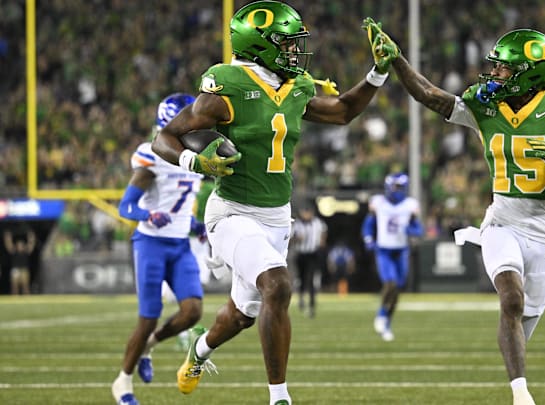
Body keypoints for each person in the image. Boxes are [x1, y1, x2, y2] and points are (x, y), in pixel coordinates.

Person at [151, 2, 396, 404]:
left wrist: (378, 72)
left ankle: (199, 352)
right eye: (286, 44)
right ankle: (279, 397)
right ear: (259, 46)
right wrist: (194, 160)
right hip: (231, 211)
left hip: (275, 217)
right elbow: (166, 137)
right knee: (278, 286)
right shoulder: (226, 84)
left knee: (241, 315)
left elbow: (343, 111)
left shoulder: (296, 85)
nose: (296, 52)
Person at [364, 20, 545, 404]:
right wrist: (398, 62)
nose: (494, 72)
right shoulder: (486, 104)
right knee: (510, 298)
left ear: (530, 75)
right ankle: (521, 394)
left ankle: (515, 382)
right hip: (501, 221)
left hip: (544, 229)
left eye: (504, 68)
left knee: (524, 319)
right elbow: (430, 96)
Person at [112, 92, 208, 405]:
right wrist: (147, 214)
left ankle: (149, 347)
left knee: (192, 311)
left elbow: (179, 205)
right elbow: (125, 206)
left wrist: (196, 226)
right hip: (150, 243)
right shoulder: (152, 155)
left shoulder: (191, 157)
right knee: (148, 317)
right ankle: (123, 382)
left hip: (180, 244)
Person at [361, 172, 424, 341]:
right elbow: (368, 224)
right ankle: (382, 314)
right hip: (384, 250)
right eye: (396, 187)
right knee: (390, 282)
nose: (398, 190)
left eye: (401, 187)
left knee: (397, 289)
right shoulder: (378, 203)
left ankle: (387, 322)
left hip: (401, 250)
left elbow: (419, 229)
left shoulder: (410, 205)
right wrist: (368, 239)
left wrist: (411, 231)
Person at [290, 204, 327, 318]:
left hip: (313, 254)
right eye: (304, 212)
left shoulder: (318, 223)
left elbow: (324, 232)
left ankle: (311, 304)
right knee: (301, 278)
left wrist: (322, 241)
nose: (306, 215)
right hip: (301, 254)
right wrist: (297, 239)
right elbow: (290, 239)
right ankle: (301, 298)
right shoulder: (297, 224)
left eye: (308, 212)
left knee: (311, 278)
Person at [3, 227, 36, 295]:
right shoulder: (14, 251)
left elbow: (31, 244)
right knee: (14, 287)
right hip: (15, 270)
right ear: (16, 245)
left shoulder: (26, 251)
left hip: (24, 270)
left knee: (25, 286)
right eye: (19, 244)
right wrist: (7, 237)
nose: (20, 246)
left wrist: (31, 236)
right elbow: (8, 244)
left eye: (21, 245)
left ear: (24, 246)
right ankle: (15, 300)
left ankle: (26, 300)